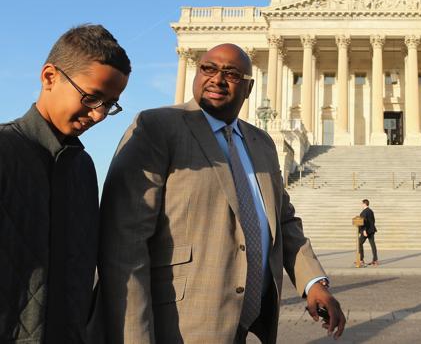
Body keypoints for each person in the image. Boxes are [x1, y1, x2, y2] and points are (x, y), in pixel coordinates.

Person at [98, 43, 346, 343]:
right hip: (180, 325)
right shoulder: (157, 127)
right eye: (208, 68)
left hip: (242, 325)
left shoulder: (261, 143)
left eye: (231, 73)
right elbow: (125, 240)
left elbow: (283, 220)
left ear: (249, 87)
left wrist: (313, 282)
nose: (217, 79)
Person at [0, 24, 130, 343]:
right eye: (91, 98)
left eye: (110, 104)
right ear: (49, 77)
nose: (98, 115)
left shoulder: (83, 167)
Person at [358, 199, 379, 266]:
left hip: (366, 231)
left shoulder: (364, 212)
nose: (361, 205)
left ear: (364, 204)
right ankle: (375, 260)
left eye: (362, 204)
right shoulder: (370, 211)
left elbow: (364, 222)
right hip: (371, 230)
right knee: (373, 245)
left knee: (359, 243)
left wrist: (364, 230)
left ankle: (361, 260)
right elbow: (373, 221)